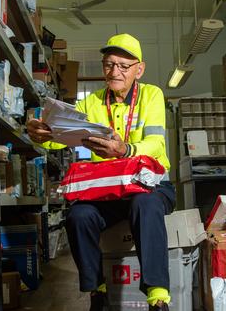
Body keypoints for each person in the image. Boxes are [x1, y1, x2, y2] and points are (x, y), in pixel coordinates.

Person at [27, 33, 174, 311]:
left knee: (145, 204)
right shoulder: (91, 102)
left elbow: (156, 144)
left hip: (149, 185)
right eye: (108, 64)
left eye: (123, 65)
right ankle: (98, 291)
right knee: (79, 215)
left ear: (139, 69)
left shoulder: (152, 95)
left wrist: (125, 150)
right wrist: (43, 133)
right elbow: (64, 131)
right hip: (109, 191)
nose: (114, 71)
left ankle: (158, 296)